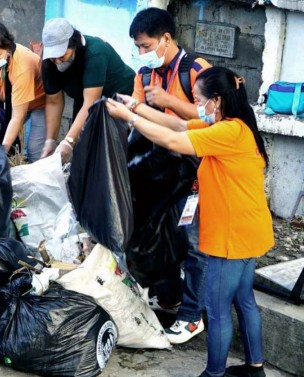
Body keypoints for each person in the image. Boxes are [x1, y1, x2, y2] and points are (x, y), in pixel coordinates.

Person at [106, 66, 273, 377]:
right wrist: (134, 106)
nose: (197, 105)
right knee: (244, 300)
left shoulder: (227, 132)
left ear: (217, 101)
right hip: (250, 230)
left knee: (218, 309)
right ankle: (255, 367)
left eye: (200, 100)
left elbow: (172, 141)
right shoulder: (232, 126)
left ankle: (213, 374)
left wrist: (129, 119)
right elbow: (180, 125)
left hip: (232, 237)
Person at [129, 7, 212, 345]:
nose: (141, 54)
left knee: (193, 244)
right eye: (137, 47)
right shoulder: (143, 75)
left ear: (166, 39)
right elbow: (135, 115)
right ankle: (169, 297)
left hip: (197, 172)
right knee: (157, 232)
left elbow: (213, 117)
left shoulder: (197, 70)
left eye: (146, 46)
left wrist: (166, 102)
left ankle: (192, 316)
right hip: (159, 172)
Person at [38, 18, 135, 160]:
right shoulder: (48, 64)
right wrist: (51, 141)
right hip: (84, 99)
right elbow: (54, 102)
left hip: (119, 97)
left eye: (62, 55)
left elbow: (90, 103)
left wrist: (68, 141)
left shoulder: (95, 52)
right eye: (53, 57)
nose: (58, 61)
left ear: (74, 44)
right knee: (81, 146)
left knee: (113, 152)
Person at [0, 22, 47, 162]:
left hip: (39, 103)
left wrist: (1, 154)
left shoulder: (22, 66)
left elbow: (18, 116)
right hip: (10, 103)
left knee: (35, 151)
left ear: (8, 49)